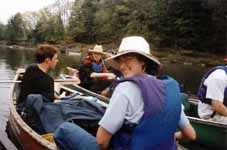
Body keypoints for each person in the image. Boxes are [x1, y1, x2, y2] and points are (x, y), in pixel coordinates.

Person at [54, 36, 195, 150]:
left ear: (143, 62)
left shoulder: (125, 88)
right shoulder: (169, 88)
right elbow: (190, 135)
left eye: (128, 59)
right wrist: (165, 136)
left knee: (64, 129)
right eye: (120, 60)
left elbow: (102, 141)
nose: (121, 66)